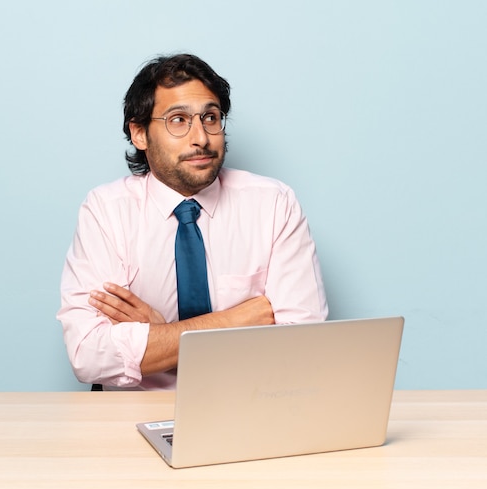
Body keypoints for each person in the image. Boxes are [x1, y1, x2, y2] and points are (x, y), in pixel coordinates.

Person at [57, 53, 328, 390]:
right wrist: (232, 322)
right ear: (139, 133)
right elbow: (88, 355)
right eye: (178, 120)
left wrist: (161, 335)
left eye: (210, 118)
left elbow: (302, 346)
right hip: (131, 412)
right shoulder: (106, 211)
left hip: (246, 405)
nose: (200, 137)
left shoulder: (273, 204)